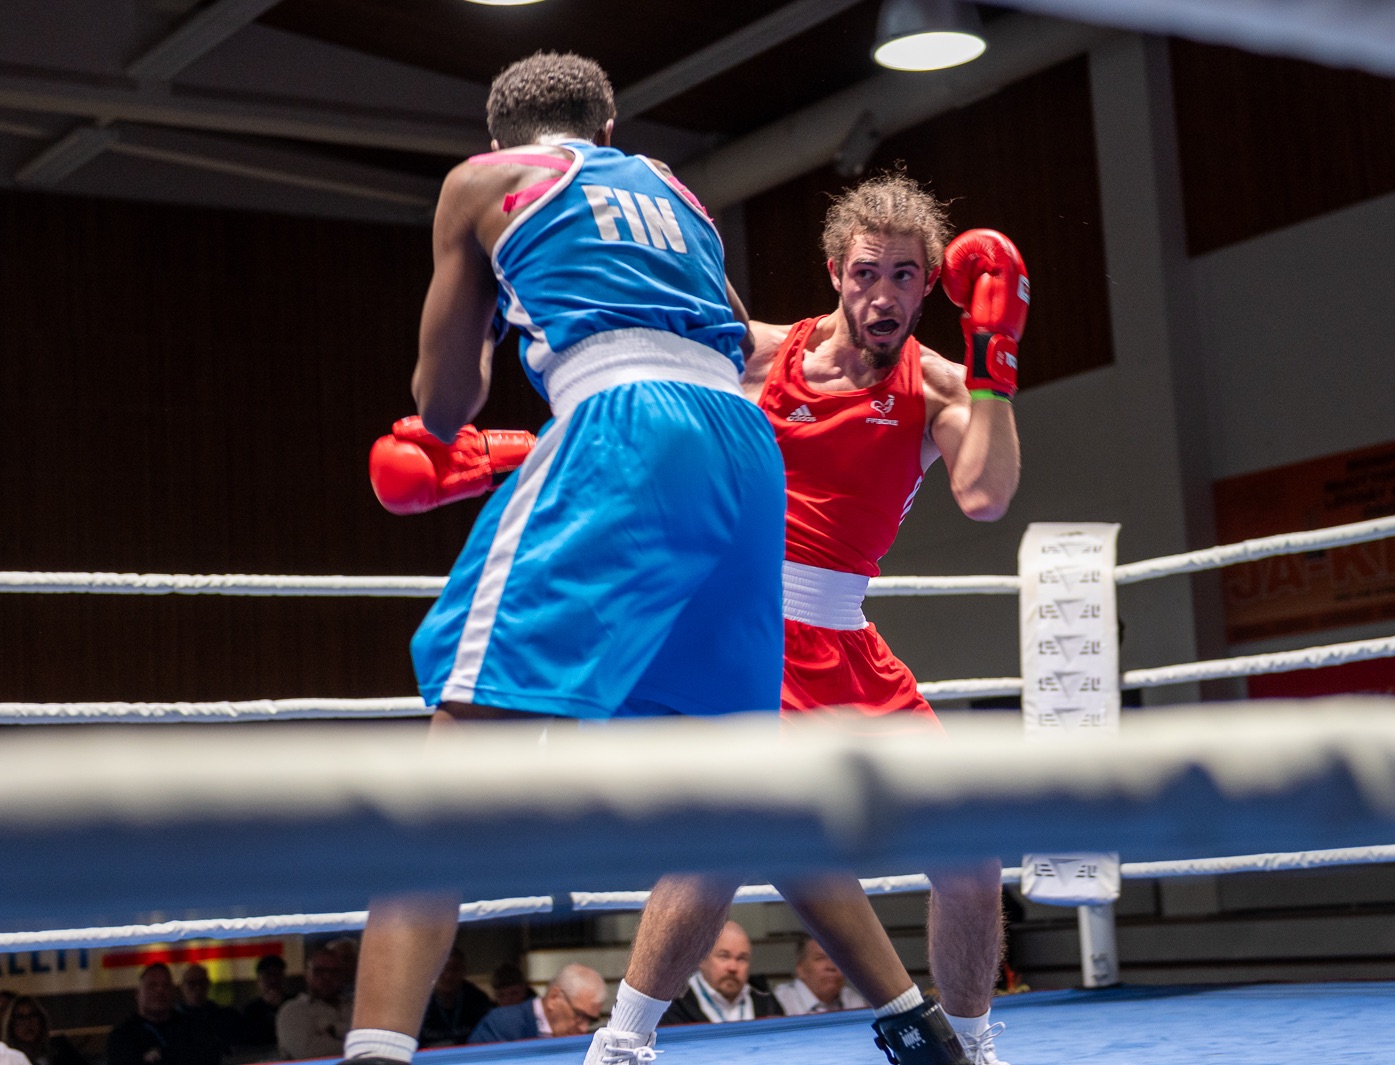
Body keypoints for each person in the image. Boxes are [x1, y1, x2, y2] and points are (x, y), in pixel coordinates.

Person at [359, 53, 976, 1065]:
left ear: (498, 135)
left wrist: (483, 432)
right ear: (606, 132)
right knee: (742, 784)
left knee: (454, 760)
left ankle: (374, 1050)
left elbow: (446, 400)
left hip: (624, 426)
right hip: (742, 454)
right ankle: (916, 1023)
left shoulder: (484, 180)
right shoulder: (676, 193)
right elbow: (722, 340)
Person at [739, 173, 1025, 1065]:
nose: (885, 294)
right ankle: (625, 1038)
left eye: (906, 275)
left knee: (972, 856)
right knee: (749, 837)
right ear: (836, 272)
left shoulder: (940, 383)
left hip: (846, 639)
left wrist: (995, 361)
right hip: (747, 637)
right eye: (868, 272)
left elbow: (985, 496)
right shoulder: (761, 354)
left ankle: (968, 1045)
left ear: (930, 283)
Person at [660, 921, 781, 1026]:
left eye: (742, 959)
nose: (733, 967)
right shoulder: (672, 1005)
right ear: (701, 958)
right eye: (724, 956)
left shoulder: (766, 1000)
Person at [107, 964, 224, 1065]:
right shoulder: (123, 1036)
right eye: (152, 985)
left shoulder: (193, 1029)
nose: (160, 991)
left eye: (166, 985)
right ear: (138, 993)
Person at [468, 964, 605, 1042]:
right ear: (553, 998)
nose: (584, 1028)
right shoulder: (500, 1025)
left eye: (591, 1020)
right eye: (579, 1015)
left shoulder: (585, 1042)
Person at [276, 950, 352, 1060]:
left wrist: (332, 1032)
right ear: (307, 974)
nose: (327, 977)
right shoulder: (293, 1010)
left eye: (334, 972)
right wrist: (355, 1044)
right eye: (319, 971)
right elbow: (308, 1053)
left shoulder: (354, 1006)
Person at [773, 937, 870, 1016]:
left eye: (837, 958)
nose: (831, 966)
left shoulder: (853, 1000)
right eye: (820, 958)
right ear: (800, 969)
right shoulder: (779, 1002)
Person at [418, 948, 492, 1048]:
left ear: (463, 971)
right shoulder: (419, 1002)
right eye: (443, 969)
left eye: (455, 969)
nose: (448, 976)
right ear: (433, 971)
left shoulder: (478, 1000)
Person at [0, 996, 89, 1065]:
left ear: (41, 1019)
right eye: (20, 1018)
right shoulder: (9, 1058)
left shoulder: (61, 1046)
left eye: (32, 1015)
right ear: (10, 1024)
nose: (28, 1023)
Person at [176, 966, 240, 1055]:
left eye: (201, 983)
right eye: (191, 983)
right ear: (182, 986)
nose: (198, 987)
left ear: (208, 984)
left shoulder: (225, 1017)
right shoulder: (173, 1021)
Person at [236, 955, 288, 1052]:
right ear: (259, 979)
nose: (273, 980)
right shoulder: (250, 1010)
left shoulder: (295, 1004)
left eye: (276, 975)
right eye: (268, 975)